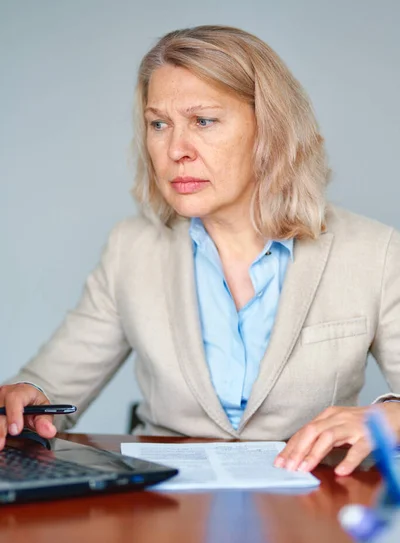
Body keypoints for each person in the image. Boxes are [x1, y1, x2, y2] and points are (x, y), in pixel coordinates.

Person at [1, 25, 400, 476]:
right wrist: (26, 397)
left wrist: (388, 415)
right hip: (170, 517)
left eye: (203, 121)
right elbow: (48, 389)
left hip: (313, 516)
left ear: (270, 128)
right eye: (159, 124)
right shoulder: (132, 248)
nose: (175, 150)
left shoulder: (375, 250)